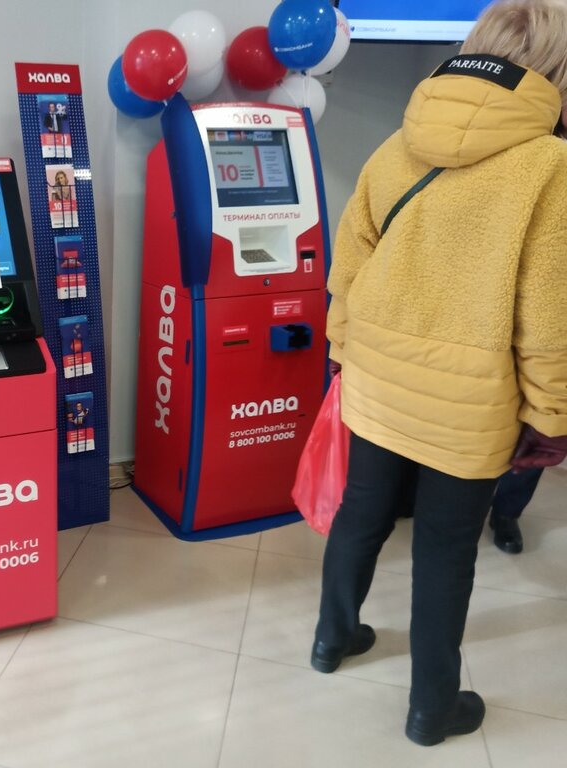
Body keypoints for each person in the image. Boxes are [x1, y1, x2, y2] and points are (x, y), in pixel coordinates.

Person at [311, 0, 567, 748]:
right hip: (470, 399)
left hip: (376, 376)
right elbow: (547, 318)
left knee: (360, 513)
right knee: (446, 551)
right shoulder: (550, 167)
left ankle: (333, 637)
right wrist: (551, 416)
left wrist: (341, 350)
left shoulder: (400, 139)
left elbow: (350, 260)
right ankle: (431, 708)